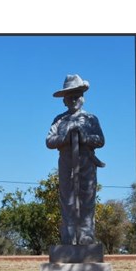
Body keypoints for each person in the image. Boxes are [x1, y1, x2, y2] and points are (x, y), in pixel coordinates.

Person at [46, 74, 105, 245]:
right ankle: (69, 235)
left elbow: (100, 140)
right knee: (68, 199)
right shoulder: (59, 120)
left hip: (87, 163)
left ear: (83, 98)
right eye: (69, 96)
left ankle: (86, 235)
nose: (73, 99)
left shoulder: (91, 119)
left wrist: (84, 137)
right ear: (64, 100)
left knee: (87, 198)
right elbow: (49, 141)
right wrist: (66, 138)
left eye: (76, 95)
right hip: (66, 163)